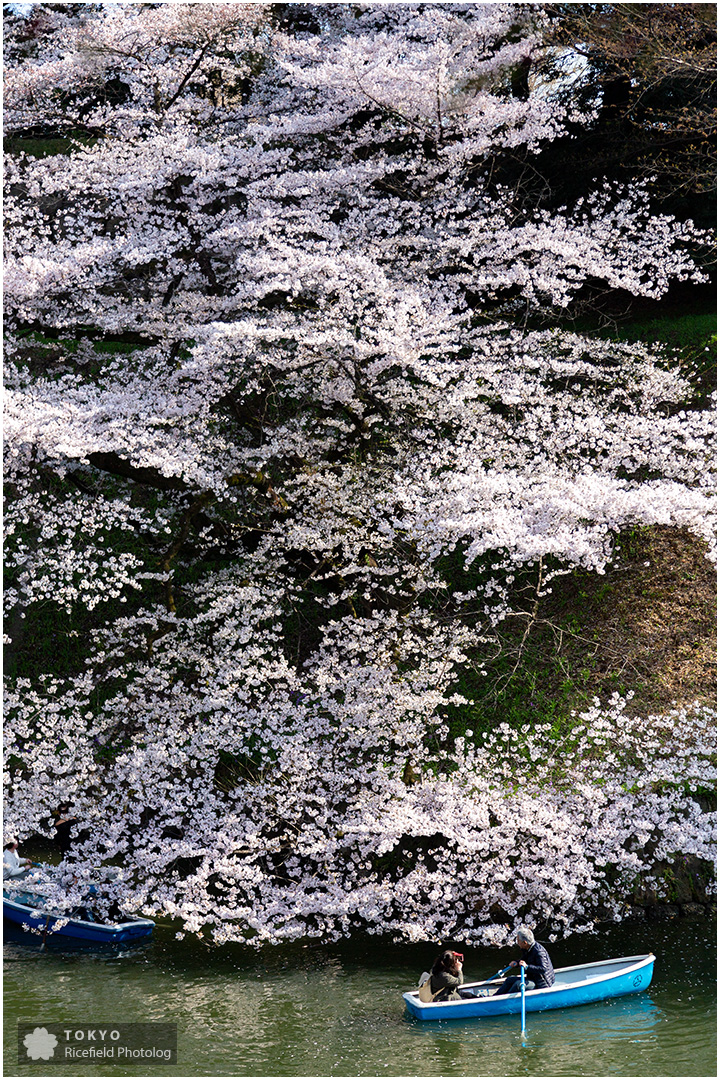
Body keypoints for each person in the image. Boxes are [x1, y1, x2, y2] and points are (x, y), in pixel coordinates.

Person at [493, 926, 554, 995]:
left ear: (525, 942)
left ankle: (505, 1001)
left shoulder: (539, 952)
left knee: (517, 985)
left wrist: (527, 967)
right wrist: (517, 962)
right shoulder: (527, 948)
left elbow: (543, 969)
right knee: (509, 980)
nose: (517, 942)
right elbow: (525, 959)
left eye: (518, 940)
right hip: (532, 977)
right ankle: (495, 996)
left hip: (541, 983)